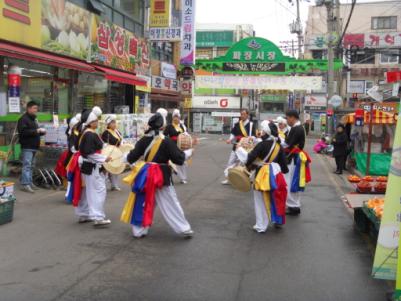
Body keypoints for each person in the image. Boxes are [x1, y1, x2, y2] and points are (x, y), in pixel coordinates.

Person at [121, 109, 194, 238]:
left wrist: (123, 157)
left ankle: (139, 230)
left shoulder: (144, 140)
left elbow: (131, 157)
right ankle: (183, 228)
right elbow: (179, 158)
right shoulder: (166, 141)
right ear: (163, 126)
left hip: (146, 175)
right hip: (162, 175)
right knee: (170, 201)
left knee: (143, 200)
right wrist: (190, 152)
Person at [236, 121, 288, 232]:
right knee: (276, 198)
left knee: (260, 200)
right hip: (276, 174)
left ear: (266, 132)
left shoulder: (261, 145)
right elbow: (284, 165)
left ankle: (261, 225)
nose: (261, 132)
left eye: (262, 131)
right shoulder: (278, 146)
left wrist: (239, 148)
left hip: (262, 175)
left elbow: (248, 158)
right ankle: (277, 219)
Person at [73, 106, 112, 226]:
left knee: (87, 191)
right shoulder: (90, 134)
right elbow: (90, 153)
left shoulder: (84, 132)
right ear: (91, 122)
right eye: (96, 121)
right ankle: (98, 217)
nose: (97, 122)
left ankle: (84, 214)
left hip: (86, 166)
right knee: (98, 191)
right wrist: (104, 158)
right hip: (92, 166)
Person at [284, 110, 311, 216]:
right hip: (295, 158)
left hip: (293, 159)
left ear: (292, 118)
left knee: (290, 183)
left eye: (287, 118)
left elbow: (288, 144)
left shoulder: (296, 128)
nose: (287, 121)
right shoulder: (299, 127)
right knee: (293, 183)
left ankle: (293, 206)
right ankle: (294, 205)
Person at [17, 101, 46, 193]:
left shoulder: (33, 119)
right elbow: (23, 132)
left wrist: (41, 132)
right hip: (27, 146)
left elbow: (33, 131)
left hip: (34, 146)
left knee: (32, 166)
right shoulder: (23, 119)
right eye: (34, 108)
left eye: (36, 108)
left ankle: (29, 182)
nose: (36, 110)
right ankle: (25, 184)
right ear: (28, 108)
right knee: (27, 165)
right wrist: (37, 131)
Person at [222, 109, 256, 185]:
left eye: (244, 114)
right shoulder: (237, 124)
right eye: (241, 114)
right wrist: (229, 139)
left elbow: (254, 136)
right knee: (230, 162)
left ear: (247, 115)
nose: (242, 116)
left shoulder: (251, 125)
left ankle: (244, 180)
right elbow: (233, 134)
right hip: (236, 146)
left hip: (245, 148)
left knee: (244, 165)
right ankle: (228, 178)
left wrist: (250, 138)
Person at [164, 109, 189, 184]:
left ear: (179, 118)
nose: (176, 118)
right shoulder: (169, 126)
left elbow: (186, 135)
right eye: (174, 116)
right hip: (172, 146)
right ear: (172, 118)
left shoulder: (182, 126)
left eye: (177, 117)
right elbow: (164, 136)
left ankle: (183, 177)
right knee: (172, 163)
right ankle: (173, 177)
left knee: (183, 162)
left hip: (181, 146)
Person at [101, 115, 123, 191]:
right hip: (109, 153)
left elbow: (121, 141)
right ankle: (103, 185)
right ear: (108, 124)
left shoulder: (117, 131)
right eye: (112, 122)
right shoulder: (106, 133)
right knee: (107, 169)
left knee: (116, 169)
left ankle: (114, 185)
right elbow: (105, 144)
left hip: (117, 153)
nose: (114, 124)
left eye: (114, 122)